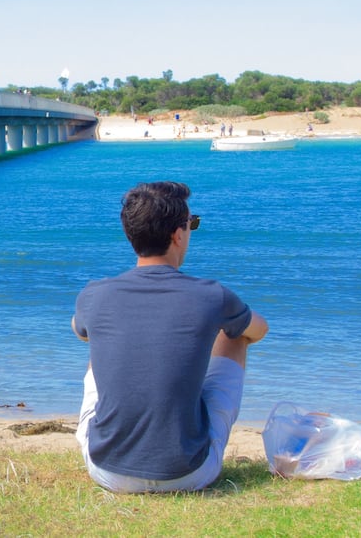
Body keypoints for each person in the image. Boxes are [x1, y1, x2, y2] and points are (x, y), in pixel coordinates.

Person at [72, 181, 268, 493]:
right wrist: (211, 324)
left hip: (106, 469)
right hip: (188, 474)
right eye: (192, 225)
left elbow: (78, 329)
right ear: (178, 235)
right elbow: (259, 330)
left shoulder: (94, 294)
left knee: (100, 340)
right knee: (236, 336)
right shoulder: (212, 295)